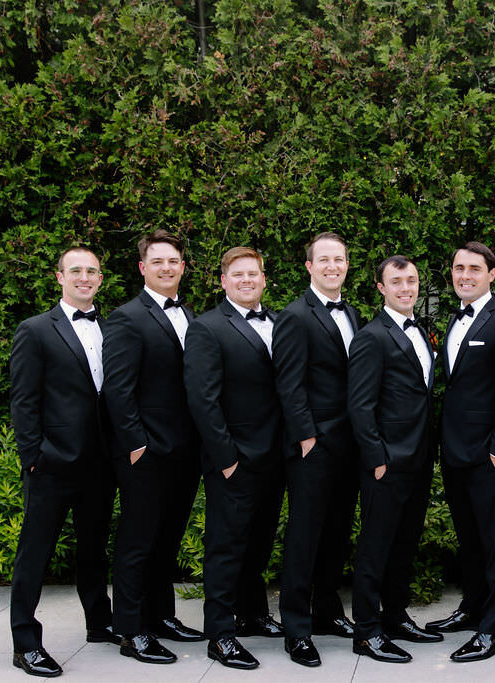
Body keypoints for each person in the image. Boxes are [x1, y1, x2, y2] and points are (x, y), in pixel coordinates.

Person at [8, 247, 117, 677]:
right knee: (34, 554)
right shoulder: (35, 330)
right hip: (51, 464)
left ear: (101, 279)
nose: (84, 277)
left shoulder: (110, 329)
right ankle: (25, 643)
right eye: (76, 271)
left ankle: (99, 622)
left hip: (100, 464)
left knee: (93, 550)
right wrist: (33, 456)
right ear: (59, 277)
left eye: (92, 271)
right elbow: (24, 400)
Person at [103, 229, 204, 664]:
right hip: (146, 453)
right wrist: (136, 445)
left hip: (185, 450)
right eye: (157, 261)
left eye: (173, 261)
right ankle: (131, 630)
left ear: (183, 267)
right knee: (138, 541)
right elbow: (118, 390)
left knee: (167, 539)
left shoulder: (190, 313)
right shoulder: (127, 317)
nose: (167, 268)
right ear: (143, 268)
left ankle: (162, 616)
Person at [183, 247, 287, 670]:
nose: (247, 280)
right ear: (223, 281)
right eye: (238, 274)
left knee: (259, 541)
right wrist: (226, 458)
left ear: (264, 279)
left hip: (275, 455)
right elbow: (202, 400)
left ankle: (254, 613)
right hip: (234, 459)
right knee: (225, 546)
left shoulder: (280, 323)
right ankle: (220, 634)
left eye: (254, 274)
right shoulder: (207, 328)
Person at [428, 242, 495, 662]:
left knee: (494, 543)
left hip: (488, 454)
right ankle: (471, 608)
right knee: (468, 539)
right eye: (458, 268)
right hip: (454, 452)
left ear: (492, 274)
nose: (464, 275)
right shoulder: (453, 319)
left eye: (473, 269)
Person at [347, 255, 443, 663]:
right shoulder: (372, 336)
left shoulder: (420, 329)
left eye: (412, 281)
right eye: (397, 282)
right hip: (387, 460)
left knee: (404, 544)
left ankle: (397, 616)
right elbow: (360, 405)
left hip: (419, 459)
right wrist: (377, 458)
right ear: (381, 288)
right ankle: (367, 631)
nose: (406, 288)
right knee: (376, 546)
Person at [273, 232, 362, 667]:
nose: (332, 266)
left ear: (347, 265)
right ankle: (296, 628)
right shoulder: (295, 316)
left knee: (336, 533)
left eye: (339, 259)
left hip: (351, 444)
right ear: (308, 266)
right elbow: (288, 384)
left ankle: (327, 612)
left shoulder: (354, 312)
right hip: (314, 444)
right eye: (323, 260)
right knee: (305, 536)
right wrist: (307, 437)